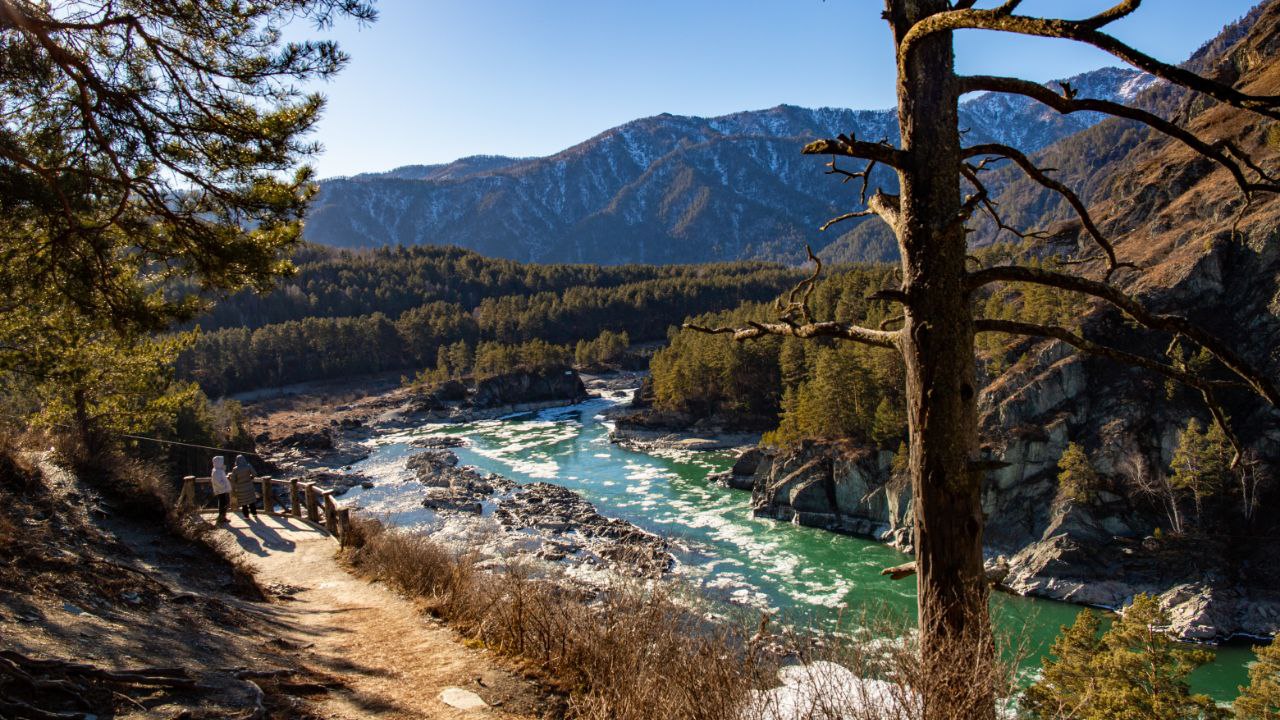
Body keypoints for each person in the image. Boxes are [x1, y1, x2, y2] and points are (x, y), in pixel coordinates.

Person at [231, 455, 259, 520]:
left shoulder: (235, 469)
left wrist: (235, 486)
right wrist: (250, 477)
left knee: (244, 504)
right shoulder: (248, 466)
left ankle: (246, 516)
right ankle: (254, 513)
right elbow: (255, 474)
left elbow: (233, 480)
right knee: (251, 501)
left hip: (241, 489)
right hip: (249, 487)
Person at [210, 455, 231, 523]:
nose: (223, 463)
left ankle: (223, 517)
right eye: (221, 462)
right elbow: (217, 482)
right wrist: (225, 486)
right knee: (223, 504)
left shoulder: (218, 470)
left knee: (223, 504)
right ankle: (221, 517)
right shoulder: (216, 471)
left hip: (222, 490)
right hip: (221, 490)